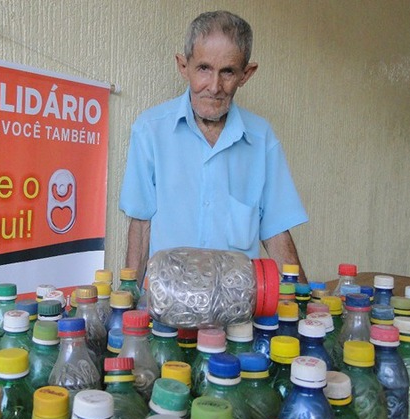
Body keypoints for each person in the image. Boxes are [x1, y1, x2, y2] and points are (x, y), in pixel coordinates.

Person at [119, 10, 309, 283]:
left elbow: (276, 230)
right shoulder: (150, 130)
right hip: (167, 306)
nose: (214, 86)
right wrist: (130, 301)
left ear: (246, 74)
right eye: (204, 69)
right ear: (183, 66)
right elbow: (140, 225)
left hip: (236, 307)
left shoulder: (262, 138)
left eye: (228, 72)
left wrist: (303, 307)